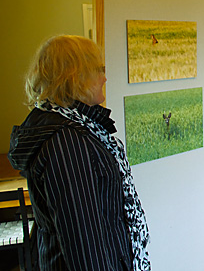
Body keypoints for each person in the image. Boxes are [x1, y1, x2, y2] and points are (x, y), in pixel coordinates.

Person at [8, 35, 151, 270]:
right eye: (98, 70)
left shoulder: (65, 124)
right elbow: (85, 244)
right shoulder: (67, 141)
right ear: (74, 76)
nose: (104, 78)